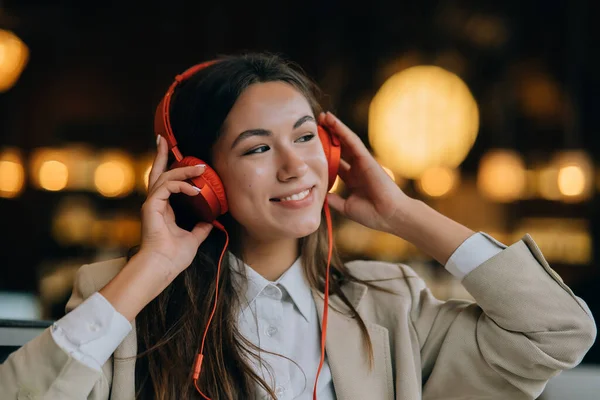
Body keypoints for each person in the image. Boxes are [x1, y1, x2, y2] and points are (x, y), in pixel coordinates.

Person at [0, 52, 596, 400]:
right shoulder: (122, 302)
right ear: (202, 176)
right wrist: (154, 267)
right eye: (258, 149)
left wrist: (402, 214)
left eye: (307, 138)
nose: (296, 167)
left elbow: (558, 332)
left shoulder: (387, 309)